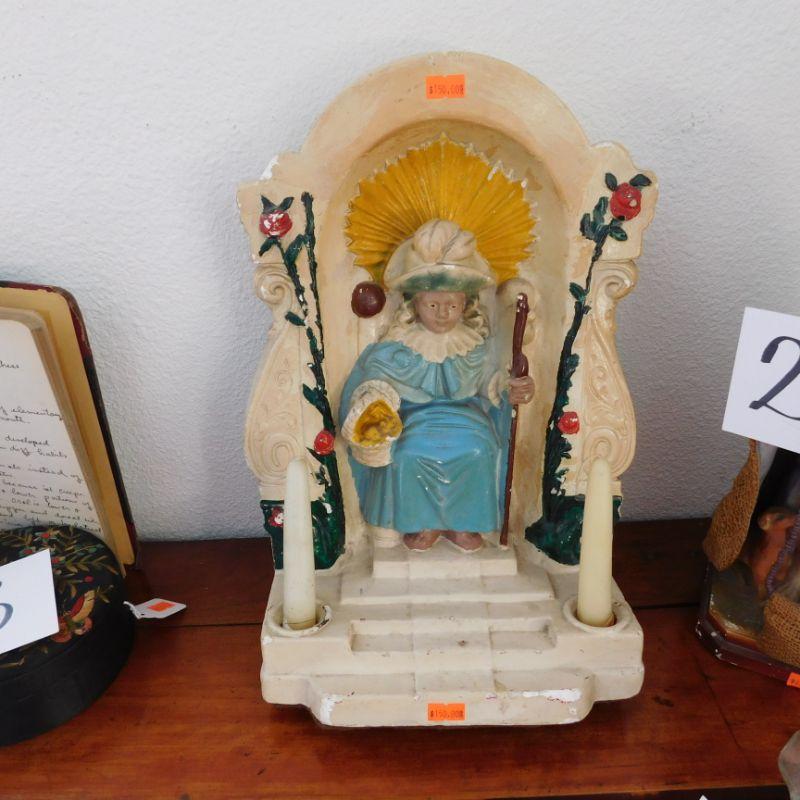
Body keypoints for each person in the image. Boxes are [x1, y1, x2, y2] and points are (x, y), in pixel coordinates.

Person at [340, 219, 535, 552]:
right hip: (414, 422)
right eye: (433, 305)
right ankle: (423, 523)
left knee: (479, 451)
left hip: (468, 422)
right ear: (414, 304)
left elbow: (492, 382)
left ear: (465, 304)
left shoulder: (475, 344)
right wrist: (372, 401)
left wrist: (513, 387)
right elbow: (374, 383)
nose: (443, 314)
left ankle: (462, 524)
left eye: (453, 305)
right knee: (407, 453)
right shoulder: (399, 345)